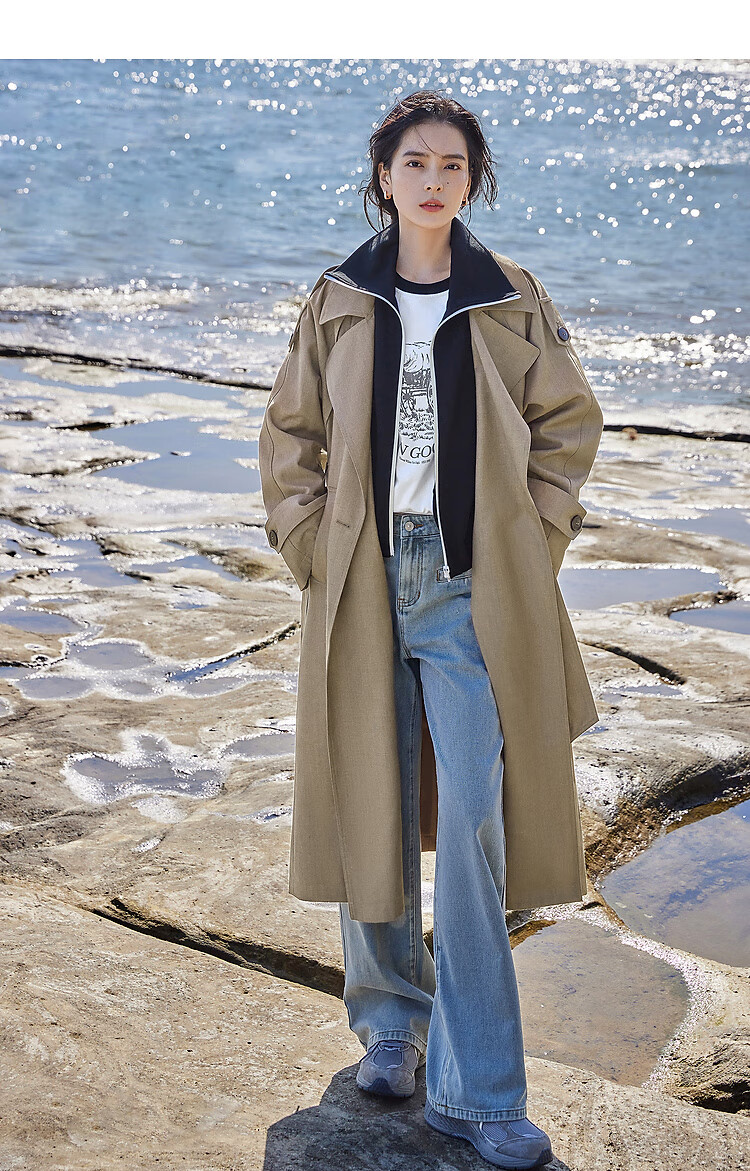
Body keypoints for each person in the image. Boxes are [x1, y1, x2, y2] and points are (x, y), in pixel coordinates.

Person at [259, 90, 603, 1170]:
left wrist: (531, 540)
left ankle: (479, 1090)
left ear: (472, 180)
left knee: (474, 819)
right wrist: (313, 546)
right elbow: (290, 436)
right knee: (371, 796)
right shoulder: (339, 296)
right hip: (362, 576)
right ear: (385, 177)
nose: (435, 179)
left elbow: (569, 424)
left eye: (454, 164)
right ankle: (390, 1025)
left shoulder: (509, 296)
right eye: (417, 162)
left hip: (468, 586)